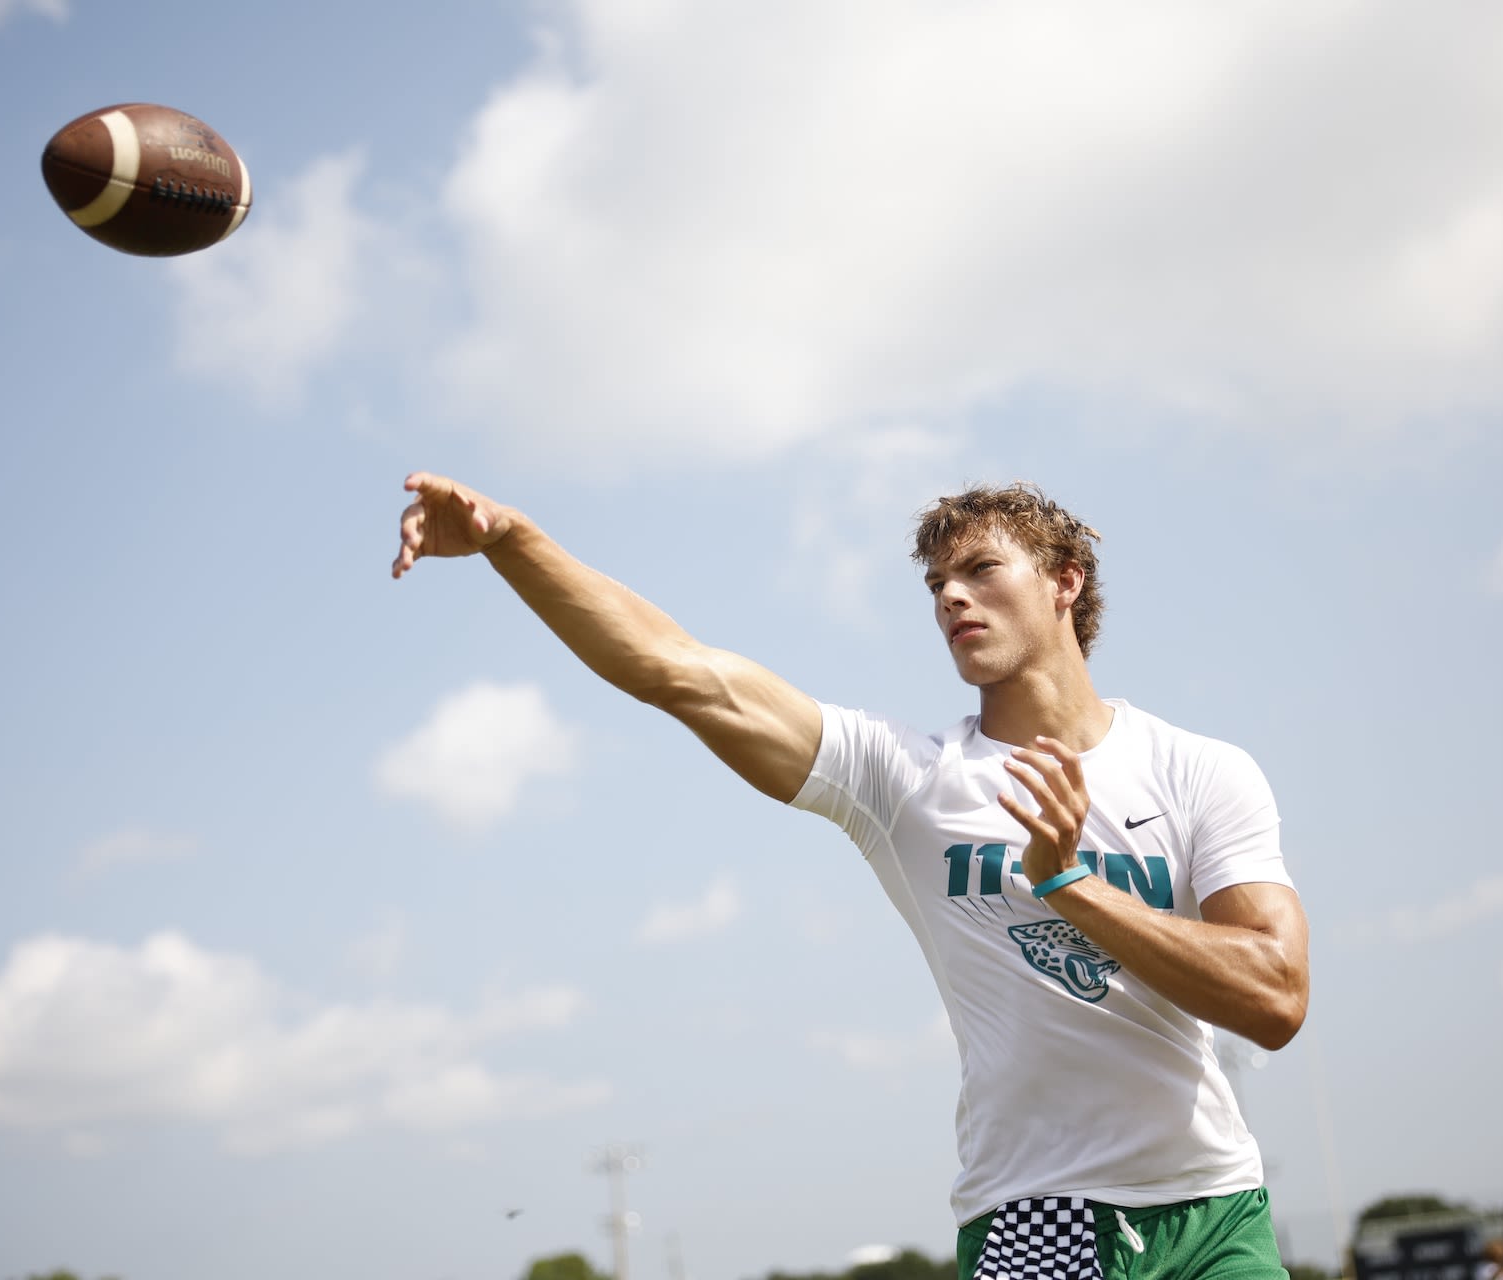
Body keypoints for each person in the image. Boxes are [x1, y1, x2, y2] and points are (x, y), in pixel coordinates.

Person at [391, 474, 1310, 1280]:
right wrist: (512, 544)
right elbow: (679, 673)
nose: (952, 596)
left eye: (982, 570)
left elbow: (1274, 997)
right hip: (1041, 1209)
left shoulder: (1200, 771)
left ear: (1067, 580)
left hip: (1217, 1205)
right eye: (936, 584)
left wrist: (1070, 883)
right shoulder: (903, 778)